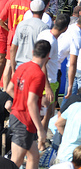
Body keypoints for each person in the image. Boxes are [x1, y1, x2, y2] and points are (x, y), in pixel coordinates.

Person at [6, 40, 51, 169]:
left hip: (18, 117)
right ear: (48, 55)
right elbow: (31, 103)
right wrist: (41, 129)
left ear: (33, 52)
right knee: (15, 162)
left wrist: (22, 100)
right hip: (23, 121)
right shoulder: (38, 74)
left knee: (34, 156)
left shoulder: (22, 67)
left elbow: (9, 89)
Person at [37, 14, 70, 131]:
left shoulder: (44, 33)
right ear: (66, 29)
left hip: (48, 78)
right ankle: (41, 140)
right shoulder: (51, 41)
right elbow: (43, 64)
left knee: (45, 113)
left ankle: (39, 137)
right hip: (49, 81)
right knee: (46, 114)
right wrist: (48, 87)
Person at [0, 0, 32, 87]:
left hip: (12, 35)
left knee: (8, 63)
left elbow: (1, 19)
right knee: (24, 64)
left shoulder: (11, 2)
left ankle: (5, 90)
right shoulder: (30, 4)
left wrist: (8, 29)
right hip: (25, 37)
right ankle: (20, 90)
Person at [59, 13, 81, 99]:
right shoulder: (77, 37)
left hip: (48, 61)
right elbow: (72, 63)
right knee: (70, 97)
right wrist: (70, 86)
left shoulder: (70, 27)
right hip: (54, 66)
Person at [11, 0, 49, 71]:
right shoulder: (43, 27)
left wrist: (13, 70)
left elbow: (13, 48)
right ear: (44, 10)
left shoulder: (21, 24)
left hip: (19, 66)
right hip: (34, 66)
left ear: (30, 10)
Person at [0, 0, 22, 77]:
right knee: (2, 59)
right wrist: (9, 30)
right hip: (2, 36)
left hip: (4, 35)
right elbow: (1, 20)